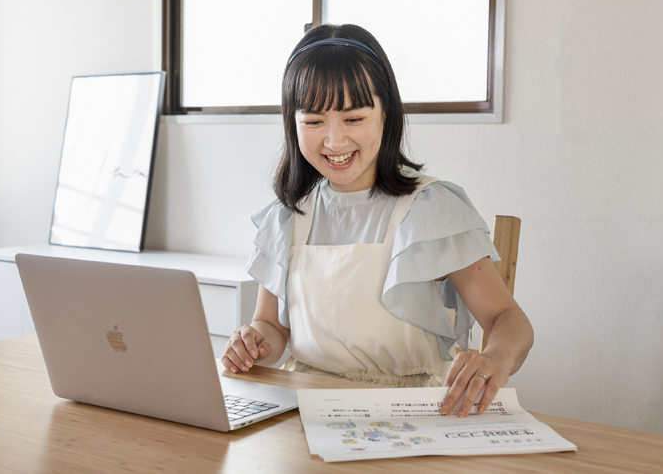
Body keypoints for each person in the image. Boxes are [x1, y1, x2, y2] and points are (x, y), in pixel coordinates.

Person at [221, 23, 533, 418]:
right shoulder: (288, 215)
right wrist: (254, 342)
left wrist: (496, 358)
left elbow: (509, 319)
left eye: (353, 119)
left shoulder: (429, 206)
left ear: (386, 114)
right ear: (292, 122)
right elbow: (272, 328)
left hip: (410, 415)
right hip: (306, 407)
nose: (334, 142)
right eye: (314, 122)